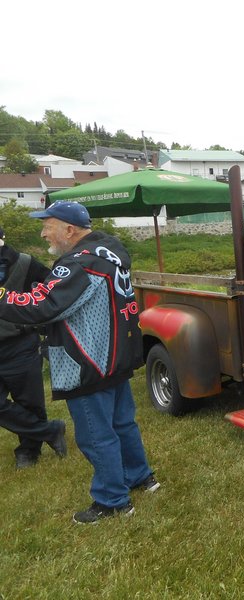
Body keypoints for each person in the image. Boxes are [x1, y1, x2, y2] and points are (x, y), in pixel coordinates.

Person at [0, 202, 159, 524]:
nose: (43, 232)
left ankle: (113, 501)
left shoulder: (79, 264)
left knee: (96, 435)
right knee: (122, 424)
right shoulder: (108, 253)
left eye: (47, 225)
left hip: (87, 361)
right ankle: (141, 478)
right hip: (114, 357)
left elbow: (41, 305)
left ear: (69, 229)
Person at [0, 226, 68, 469]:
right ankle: (50, 431)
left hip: (20, 344)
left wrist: (40, 322)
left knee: (30, 401)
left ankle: (28, 451)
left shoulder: (25, 264)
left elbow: (54, 292)